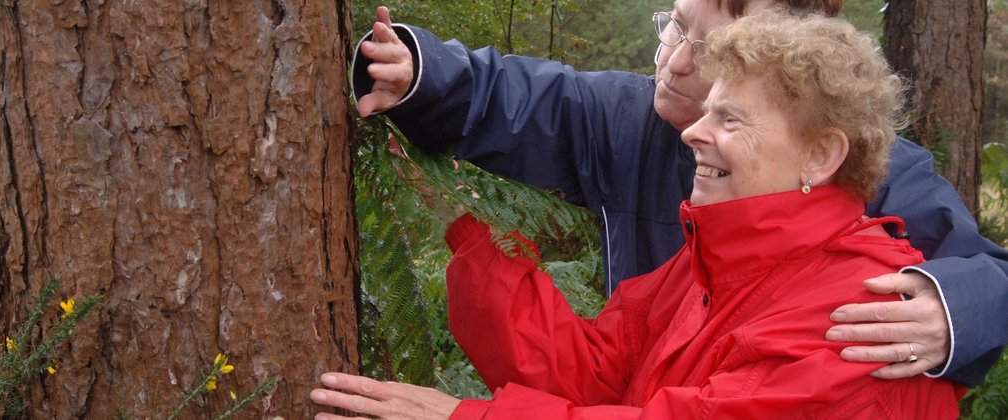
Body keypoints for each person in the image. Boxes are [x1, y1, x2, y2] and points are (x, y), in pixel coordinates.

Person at [311, 11, 963, 418]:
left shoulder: (865, 315)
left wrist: (461, 417)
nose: (692, 134)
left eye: (729, 118)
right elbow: (590, 371)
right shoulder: (716, 261)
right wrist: (481, 237)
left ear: (820, 155)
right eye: (708, 109)